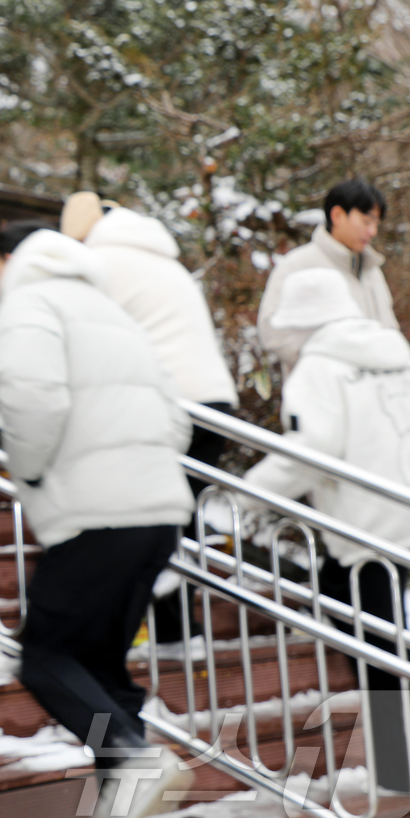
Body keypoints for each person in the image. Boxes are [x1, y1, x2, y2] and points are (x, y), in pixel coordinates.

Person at [0, 223, 195, 818]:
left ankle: (133, 759)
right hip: (157, 508)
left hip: (94, 512)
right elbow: (176, 413)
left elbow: (33, 400)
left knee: (45, 655)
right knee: (100, 667)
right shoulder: (110, 309)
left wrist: (29, 471)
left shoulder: (29, 302)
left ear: (7, 259)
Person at [243, 267, 410, 796]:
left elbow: (311, 449)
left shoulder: (320, 367)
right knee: (373, 625)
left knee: (369, 634)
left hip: (365, 525)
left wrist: (247, 492)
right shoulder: (399, 356)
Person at [62, 192, 239, 639]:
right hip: (213, 401)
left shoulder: (98, 262)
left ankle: (123, 623)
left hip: (165, 403)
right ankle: (177, 624)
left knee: (141, 516)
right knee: (179, 512)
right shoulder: (161, 258)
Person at [257, 179, 395, 376]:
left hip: (376, 398)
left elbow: (390, 332)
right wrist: (329, 370)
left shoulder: (372, 271)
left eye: (376, 223)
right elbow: (272, 332)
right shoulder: (298, 266)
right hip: (321, 399)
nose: (373, 231)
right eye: (366, 221)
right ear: (337, 215)